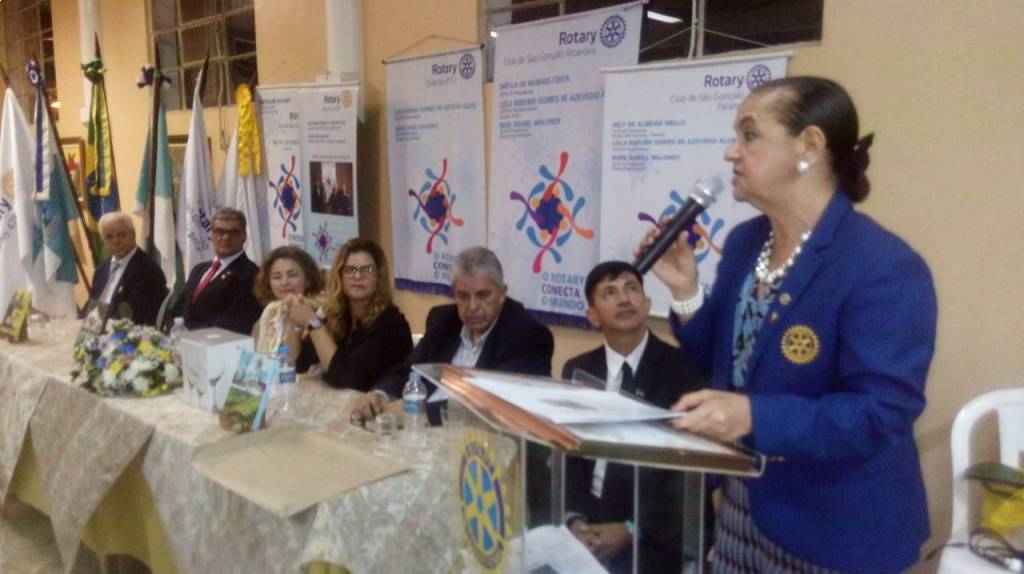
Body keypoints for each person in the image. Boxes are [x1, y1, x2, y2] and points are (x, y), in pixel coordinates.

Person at [637, 76, 937, 573]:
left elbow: (881, 412)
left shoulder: (882, 266)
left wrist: (755, 416)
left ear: (809, 146)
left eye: (749, 134)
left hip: (834, 529)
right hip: (743, 507)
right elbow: (719, 364)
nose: (731, 152)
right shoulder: (744, 243)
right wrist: (685, 289)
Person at [561, 261, 707, 574]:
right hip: (589, 524)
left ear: (647, 303)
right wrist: (574, 519)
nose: (624, 299)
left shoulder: (682, 368)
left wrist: (633, 528)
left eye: (631, 288)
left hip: (658, 534)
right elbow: (570, 455)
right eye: (610, 293)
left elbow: (690, 471)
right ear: (592, 315)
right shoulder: (578, 370)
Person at [352, 246, 554, 424]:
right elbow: (408, 371)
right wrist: (380, 394)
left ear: (502, 293)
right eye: (463, 296)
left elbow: (496, 406)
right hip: (420, 433)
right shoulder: (443, 321)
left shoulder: (528, 335)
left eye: (483, 295)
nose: (472, 306)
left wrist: (420, 411)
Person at [282, 238, 413, 391]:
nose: (358, 277)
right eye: (349, 270)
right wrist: (294, 322)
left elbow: (346, 379)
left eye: (368, 269)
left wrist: (313, 322)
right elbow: (297, 364)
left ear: (379, 276)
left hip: (376, 404)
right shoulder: (335, 314)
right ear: (340, 276)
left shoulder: (392, 325)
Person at [173, 207, 263, 335]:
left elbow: (233, 323)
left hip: (216, 344)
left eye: (234, 232)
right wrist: (171, 329)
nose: (226, 237)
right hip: (181, 341)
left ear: (244, 236)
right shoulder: (199, 270)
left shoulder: (251, 275)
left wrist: (188, 335)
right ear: (212, 235)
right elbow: (177, 310)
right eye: (220, 231)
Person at [87, 212, 168, 326]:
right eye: (109, 237)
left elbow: (133, 314)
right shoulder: (102, 268)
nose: (116, 241)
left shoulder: (147, 270)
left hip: (128, 330)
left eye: (121, 235)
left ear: (133, 235)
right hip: (96, 327)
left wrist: (96, 324)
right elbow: (92, 302)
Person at [251, 246, 325, 357]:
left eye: (292, 275)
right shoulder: (271, 311)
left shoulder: (320, 314)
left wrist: (293, 324)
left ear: (308, 279)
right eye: (277, 277)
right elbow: (267, 357)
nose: (284, 282)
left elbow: (292, 357)